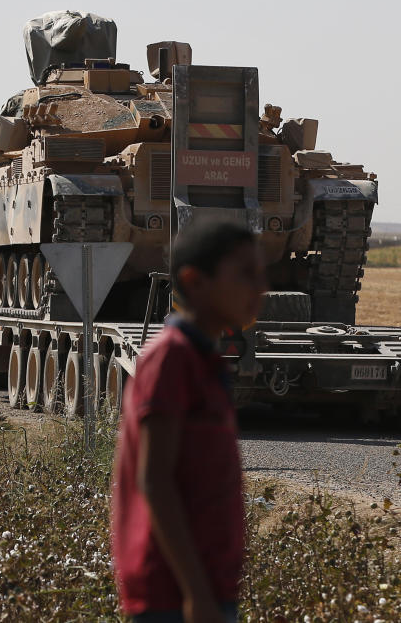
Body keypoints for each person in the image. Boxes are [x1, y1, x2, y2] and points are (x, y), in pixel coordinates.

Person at [111, 219, 267, 623]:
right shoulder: (172, 358)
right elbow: (155, 479)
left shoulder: (202, 359)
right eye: (246, 274)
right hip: (173, 596)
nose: (260, 288)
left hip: (202, 590)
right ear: (195, 282)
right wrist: (196, 593)